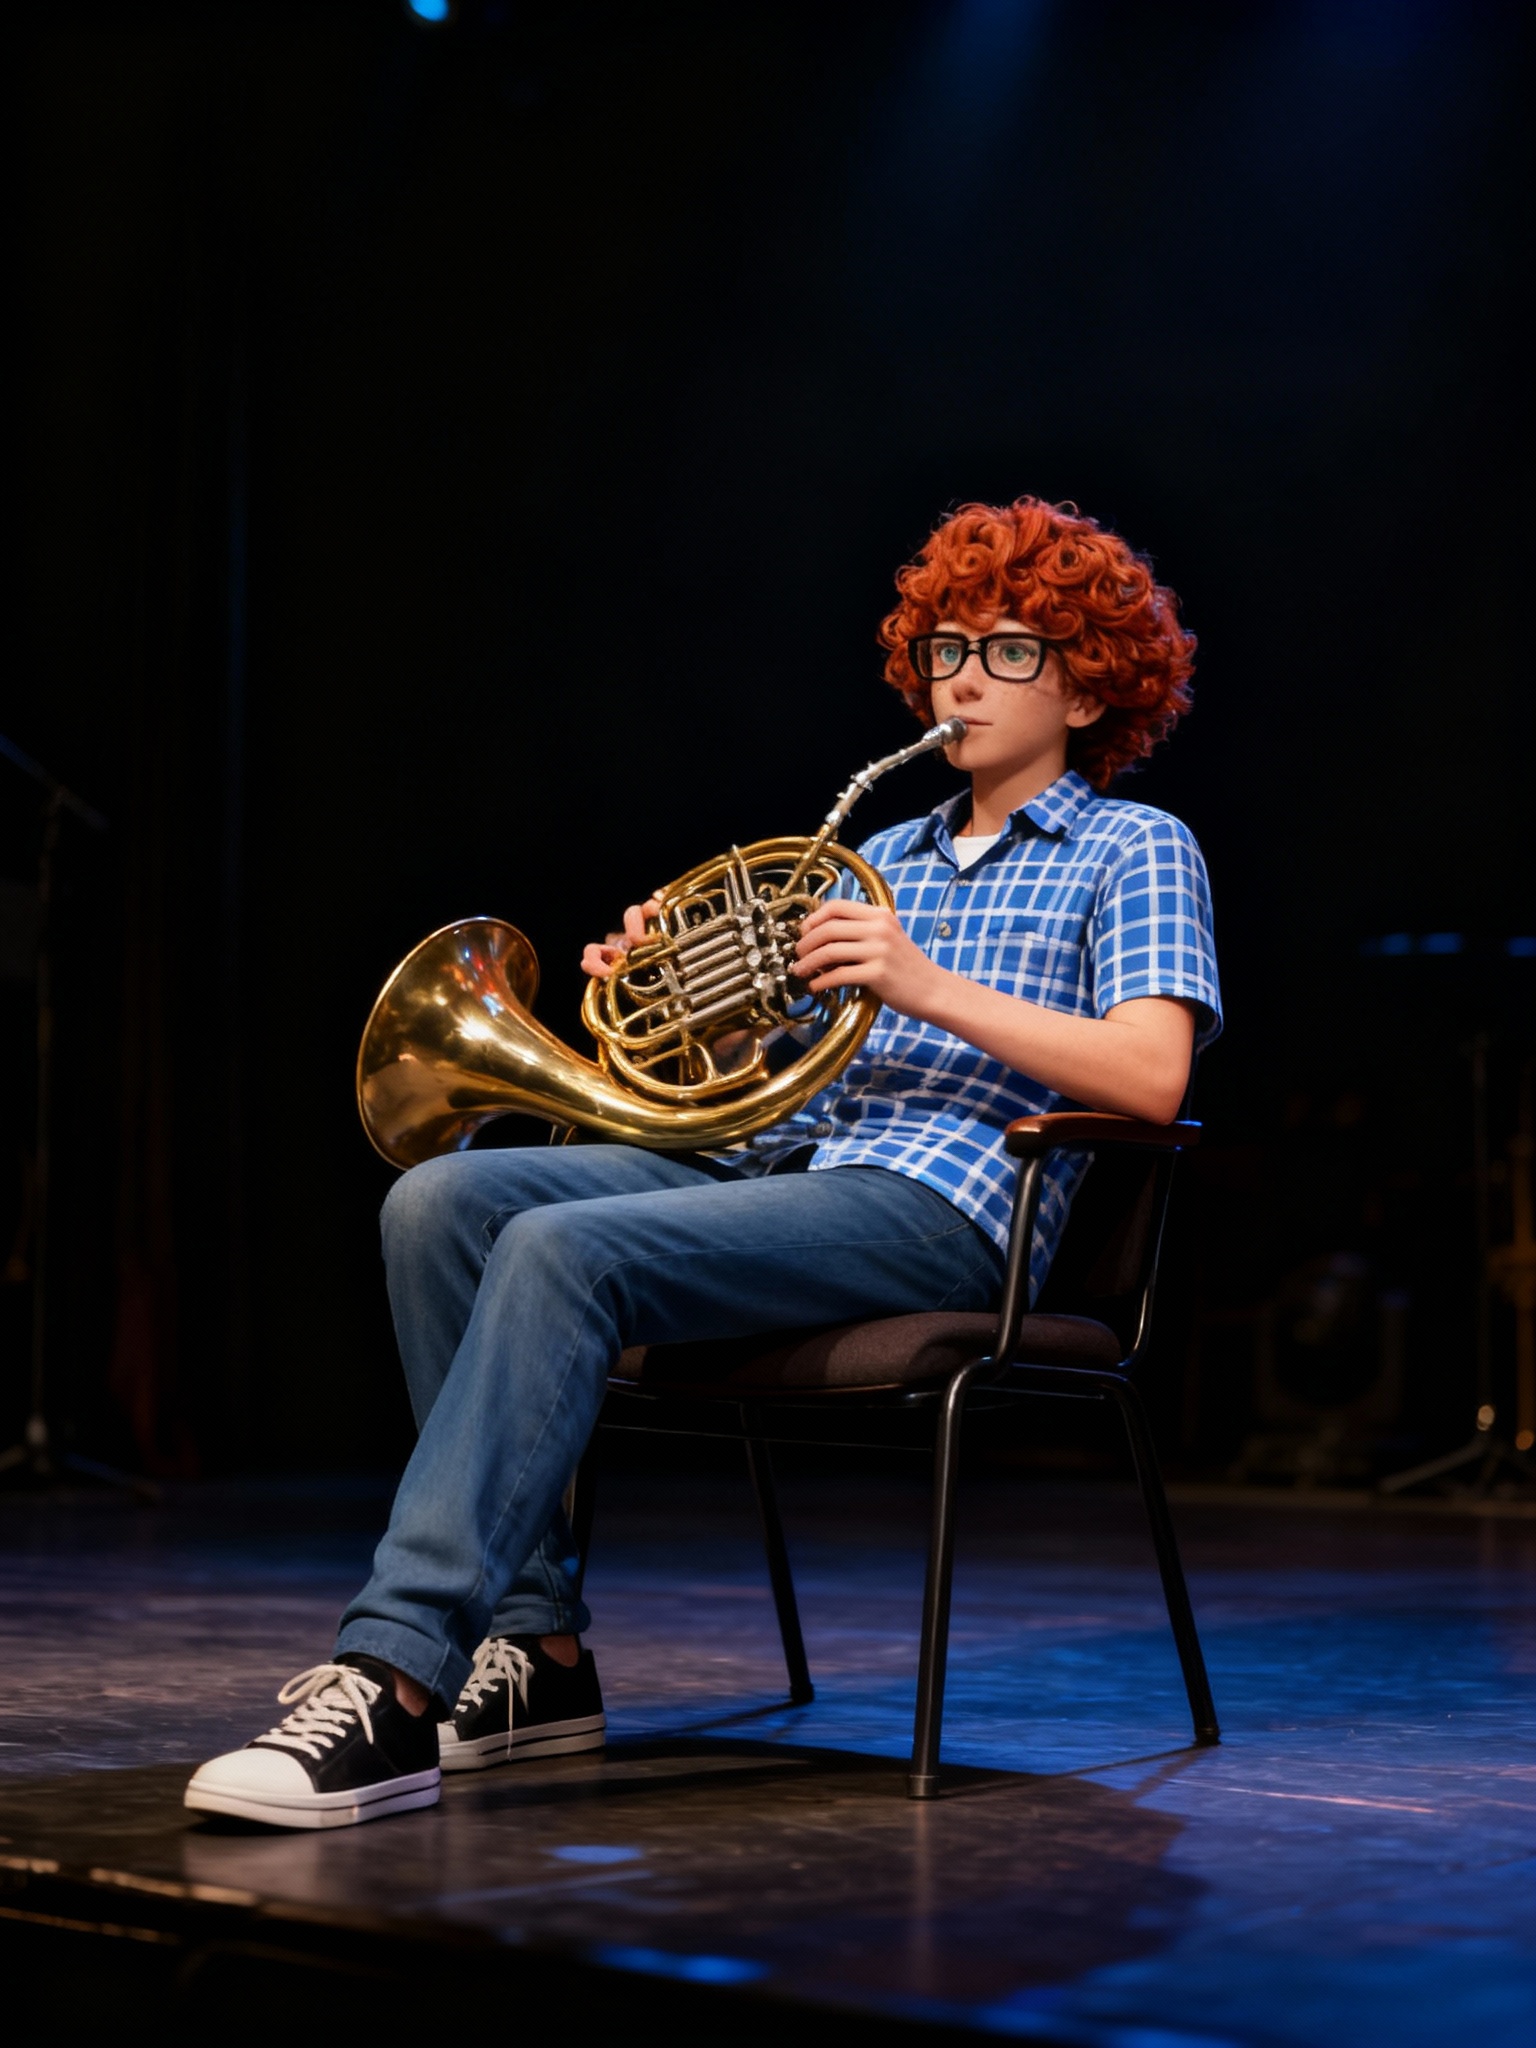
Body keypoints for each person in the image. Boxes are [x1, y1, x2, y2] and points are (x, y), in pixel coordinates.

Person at [185, 495, 1220, 1829]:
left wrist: (922, 982)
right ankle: (539, 1655)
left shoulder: (1136, 849)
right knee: (439, 1203)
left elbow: (1153, 1074)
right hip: (789, 1174)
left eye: (1011, 647)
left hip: (949, 1206)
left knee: (564, 1250)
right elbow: (764, 1061)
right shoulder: (876, 857)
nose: (965, 673)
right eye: (947, 644)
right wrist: (686, 987)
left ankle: (391, 1678)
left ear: (1088, 686)